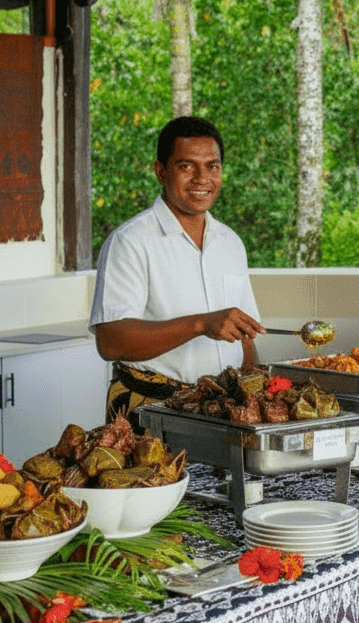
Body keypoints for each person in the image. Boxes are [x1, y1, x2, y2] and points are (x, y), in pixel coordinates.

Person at [90, 116, 265, 427]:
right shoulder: (130, 241)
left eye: (212, 166)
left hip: (223, 411)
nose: (202, 178)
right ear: (161, 171)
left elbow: (245, 338)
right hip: (150, 409)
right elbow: (111, 341)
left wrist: (262, 392)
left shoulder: (230, 242)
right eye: (187, 166)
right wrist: (201, 323)